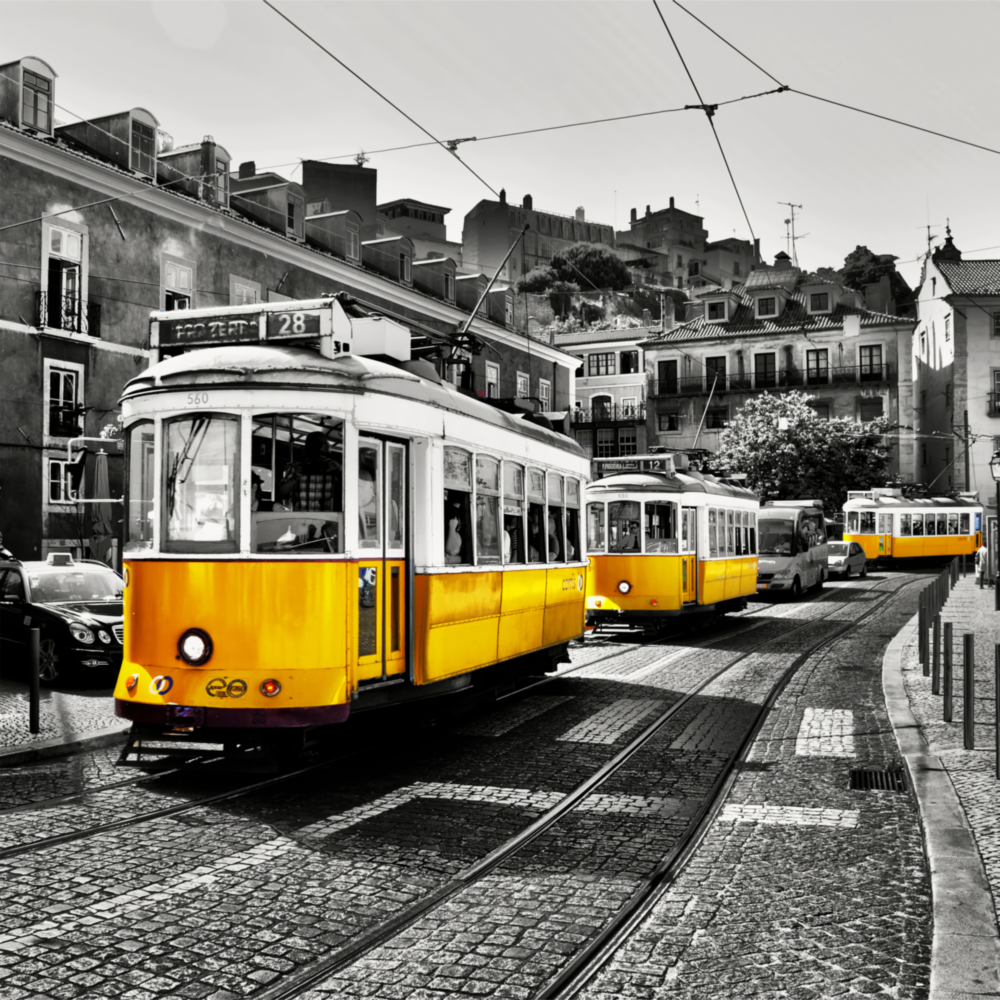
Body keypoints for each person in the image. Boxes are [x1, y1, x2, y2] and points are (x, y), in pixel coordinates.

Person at [277, 431, 341, 512]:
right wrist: (295, 478)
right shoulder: (297, 467)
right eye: (314, 445)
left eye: (321, 445)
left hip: (327, 519)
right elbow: (281, 493)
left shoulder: (333, 467)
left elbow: (350, 492)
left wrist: (340, 471)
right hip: (302, 519)